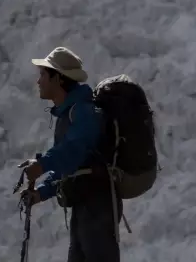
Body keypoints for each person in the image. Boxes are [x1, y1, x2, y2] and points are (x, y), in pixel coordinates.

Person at [19, 46, 122, 262]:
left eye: (43, 75)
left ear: (59, 79)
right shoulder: (70, 114)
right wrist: (41, 193)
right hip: (85, 205)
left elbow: (74, 151)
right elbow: (72, 169)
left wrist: (42, 165)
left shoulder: (83, 111)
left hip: (97, 207)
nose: (39, 81)